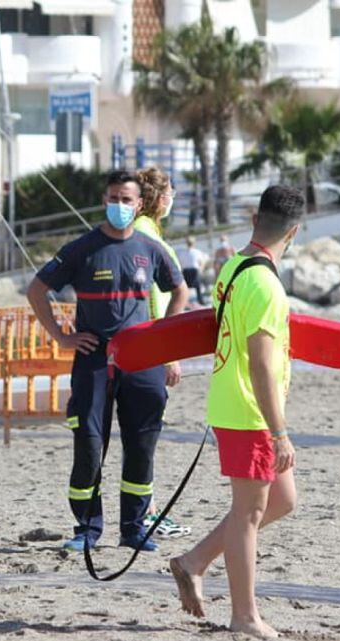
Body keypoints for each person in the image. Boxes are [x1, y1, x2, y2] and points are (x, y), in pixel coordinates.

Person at [168, 185, 305, 640]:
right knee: (248, 513)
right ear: (295, 232)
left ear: (254, 220)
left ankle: (194, 561)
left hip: (230, 400)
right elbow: (262, 363)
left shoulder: (233, 266)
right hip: (249, 411)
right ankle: (244, 617)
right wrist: (279, 431)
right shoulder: (267, 284)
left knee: (282, 500)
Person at [27, 170, 189, 553]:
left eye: (126, 200)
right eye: (113, 198)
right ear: (104, 200)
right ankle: (87, 528)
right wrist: (63, 336)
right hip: (93, 359)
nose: (119, 205)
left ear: (138, 204)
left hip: (143, 358)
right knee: (88, 442)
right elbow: (37, 289)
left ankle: (133, 529)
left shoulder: (151, 249)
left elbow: (180, 290)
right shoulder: (82, 247)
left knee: (142, 444)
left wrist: (165, 339)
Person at [133, 167, 191, 540]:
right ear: (156, 196)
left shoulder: (148, 231)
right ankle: (146, 513)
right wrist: (167, 351)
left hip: (149, 346)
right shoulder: (143, 233)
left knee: (145, 434)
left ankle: (147, 510)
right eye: (169, 190)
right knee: (144, 434)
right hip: (148, 349)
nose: (172, 197)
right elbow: (154, 298)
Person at [177, 238, 208, 306]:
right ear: (194, 243)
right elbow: (201, 263)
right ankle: (201, 301)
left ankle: (185, 303)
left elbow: (180, 263)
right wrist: (200, 270)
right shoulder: (197, 252)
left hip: (185, 271)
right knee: (198, 286)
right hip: (194, 271)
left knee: (185, 288)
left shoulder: (182, 252)